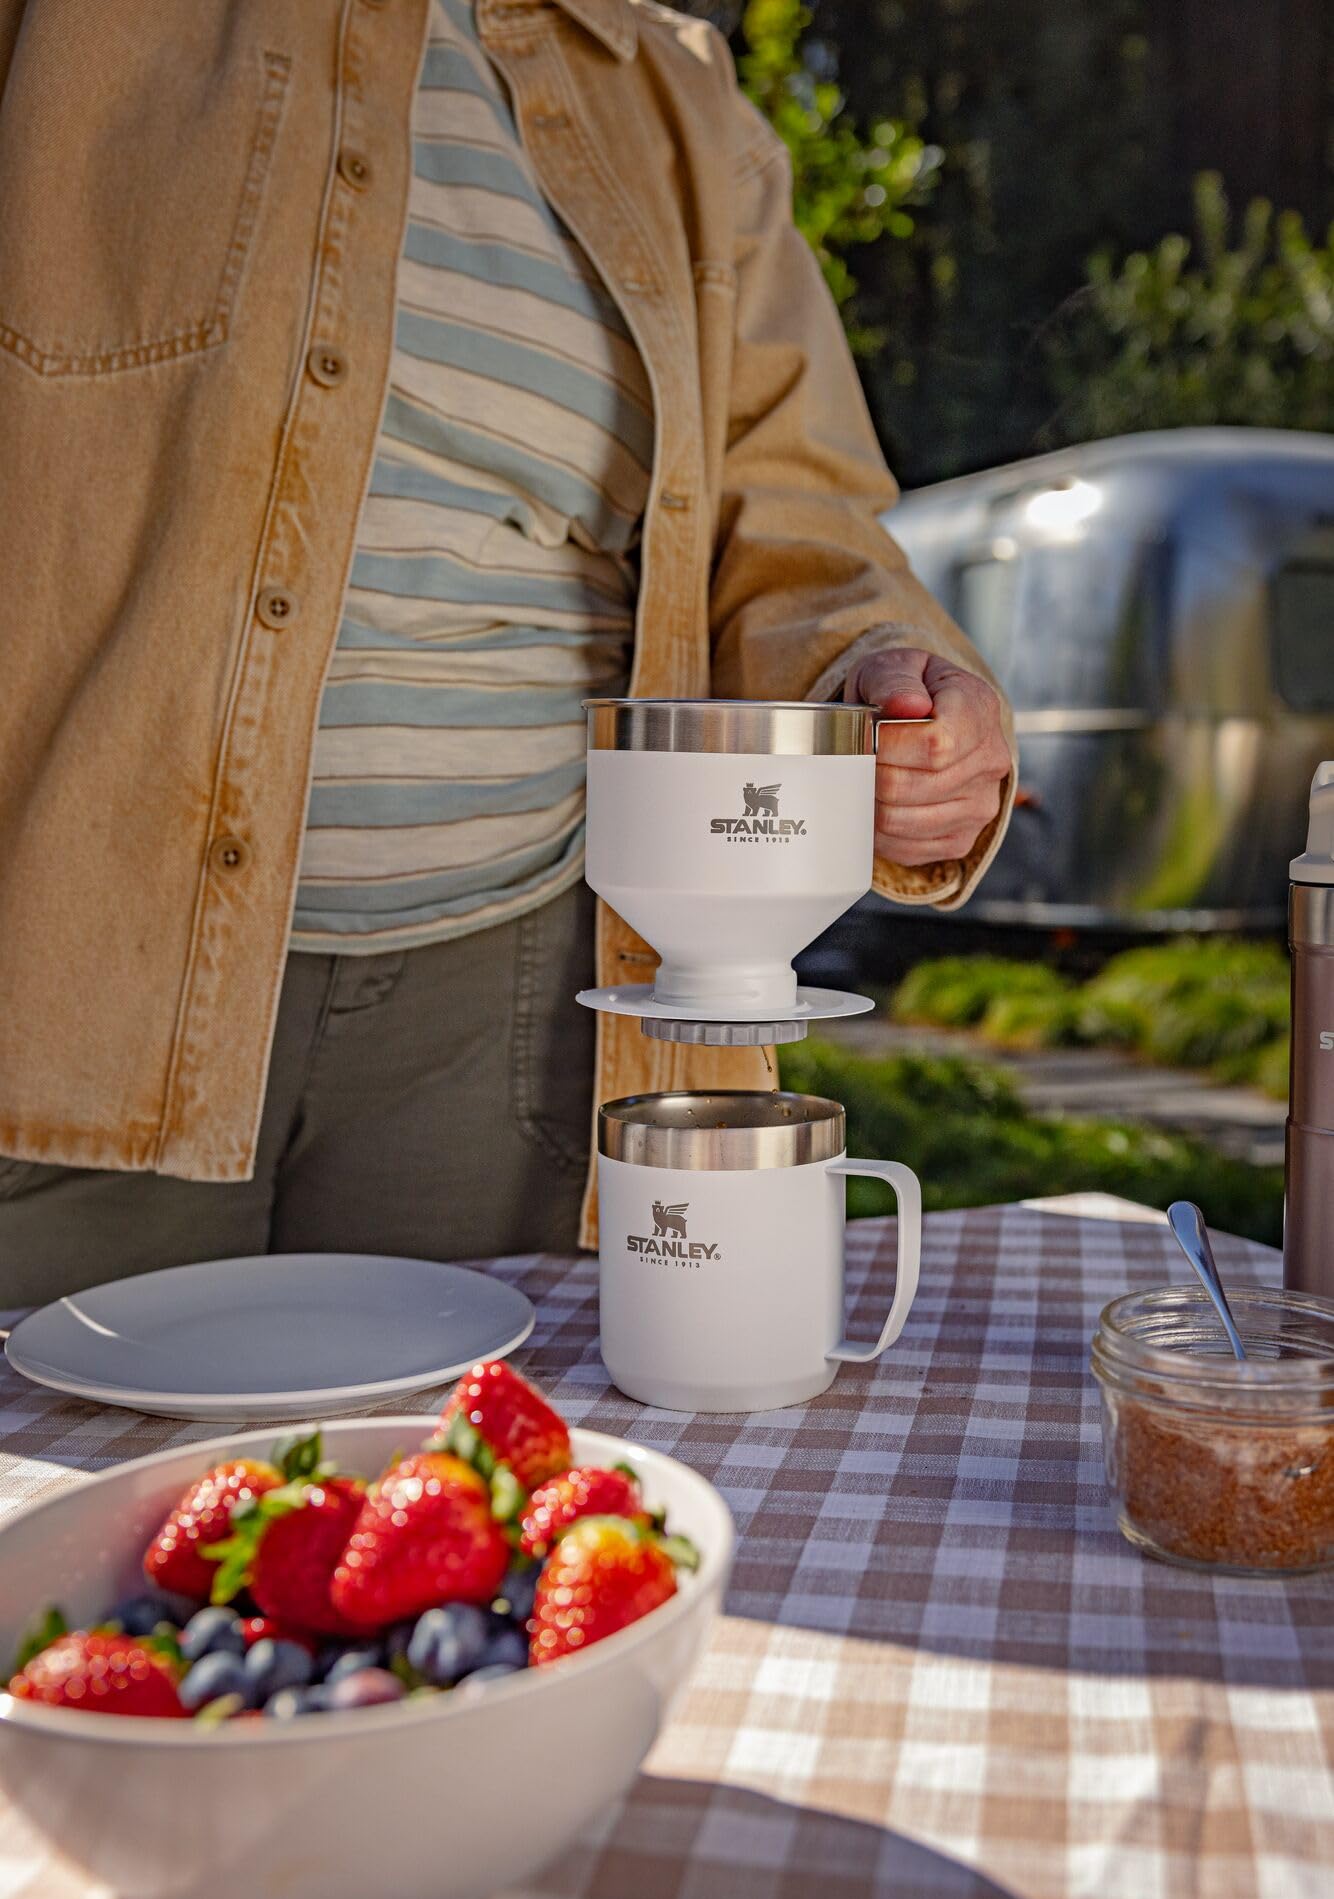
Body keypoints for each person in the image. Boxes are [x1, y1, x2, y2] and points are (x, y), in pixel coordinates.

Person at [0, 0, 1016, 1303]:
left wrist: (877, 676)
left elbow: (800, 514)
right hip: (67, 969)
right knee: (60, 1488)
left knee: (459, 1478)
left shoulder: (680, 103)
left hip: (517, 996)